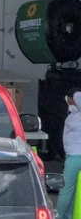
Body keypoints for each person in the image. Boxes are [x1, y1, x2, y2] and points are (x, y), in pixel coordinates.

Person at [57, 87, 81, 219]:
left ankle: (58, 216)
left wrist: (72, 95)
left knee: (66, 189)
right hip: (72, 156)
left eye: (70, 101)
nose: (69, 103)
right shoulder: (74, 115)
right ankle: (68, 216)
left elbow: (78, 95)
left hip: (76, 157)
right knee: (74, 192)